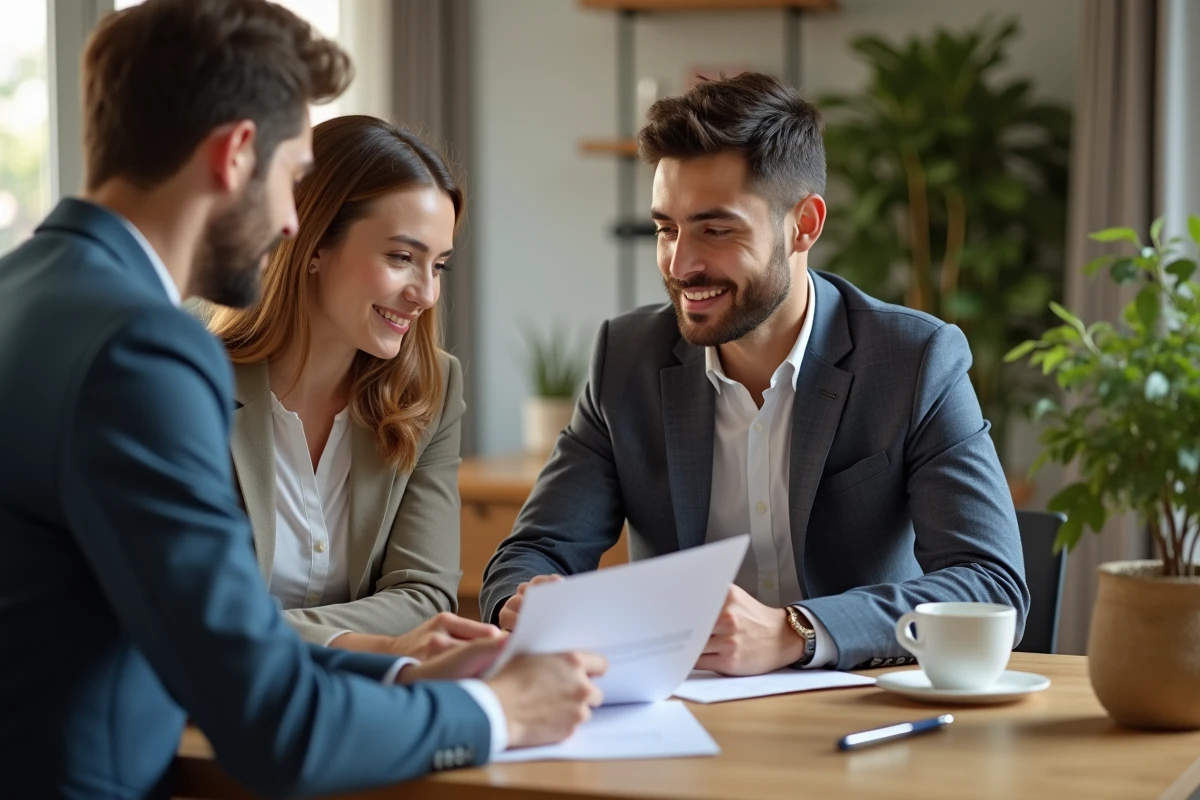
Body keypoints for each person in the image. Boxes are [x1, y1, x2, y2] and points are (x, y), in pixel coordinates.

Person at [0, 1, 602, 797]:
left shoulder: (21, 293)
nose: (288, 219)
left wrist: (391, 675)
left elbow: (167, 635)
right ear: (236, 155)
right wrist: (494, 711)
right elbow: (273, 726)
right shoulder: (145, 350)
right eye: (290, 177)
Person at [481, 72, 1029, 676]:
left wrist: (797, 632)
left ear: (804, 225)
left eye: (716, 230)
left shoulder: (914, 359)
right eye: (666, 229)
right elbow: (537, 549)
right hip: (685, 715)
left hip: (859, 708)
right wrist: (523, 599)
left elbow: (990, 583)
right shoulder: (626, 357)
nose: (680, 263)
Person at [205, 115, 494, 660]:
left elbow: (425, 595)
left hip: (358, 700)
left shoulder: (431, 389)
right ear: (311, 243)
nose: (426, 293)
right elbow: (194, 613)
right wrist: (369, 640)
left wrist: (266, 629)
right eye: (401, 258)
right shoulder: (193, 386)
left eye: (439, 266)